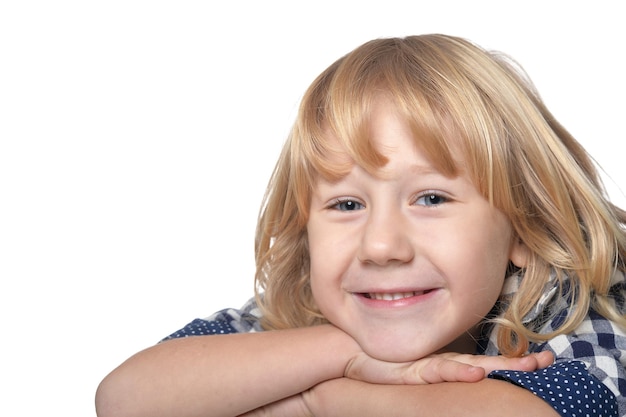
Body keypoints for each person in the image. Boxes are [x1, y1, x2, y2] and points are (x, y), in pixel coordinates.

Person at [95, 34, 626, 417]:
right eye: (346, 206)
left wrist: (312, 399)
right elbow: (124, 400)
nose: (380, 246)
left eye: (431, 197)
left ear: (525, 230)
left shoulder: (583, 310)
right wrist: (343, 355)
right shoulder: (308, 313)